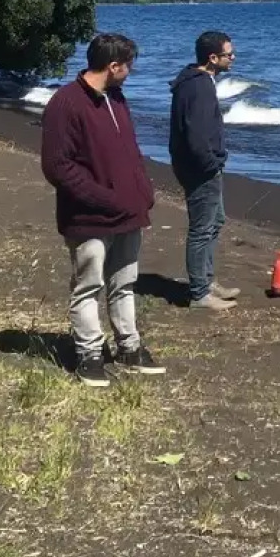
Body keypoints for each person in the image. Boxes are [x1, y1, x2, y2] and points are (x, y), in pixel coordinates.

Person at [39, 33, 163, 387]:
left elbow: (129, 151)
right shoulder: (66, 103)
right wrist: (106, 199)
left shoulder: (116, 98)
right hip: (87, 216)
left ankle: (129, 346)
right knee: (88, 284)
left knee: (124, 282)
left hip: (127, 213)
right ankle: (89, 352)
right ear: (113, 66)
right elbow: (58, 167)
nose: (131, 71)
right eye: (128, 65)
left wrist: (142, 190)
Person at [168, 30, 240, 310]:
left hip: (200, 164)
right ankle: (199, 293)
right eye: (228, 54)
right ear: (212, 58)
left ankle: (207, 281)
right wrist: (211, 164)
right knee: (202, 228)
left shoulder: (198, 81)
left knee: (216, 221)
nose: (233, 58)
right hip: (199, 168)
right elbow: (196, 135)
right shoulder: (197, 86)